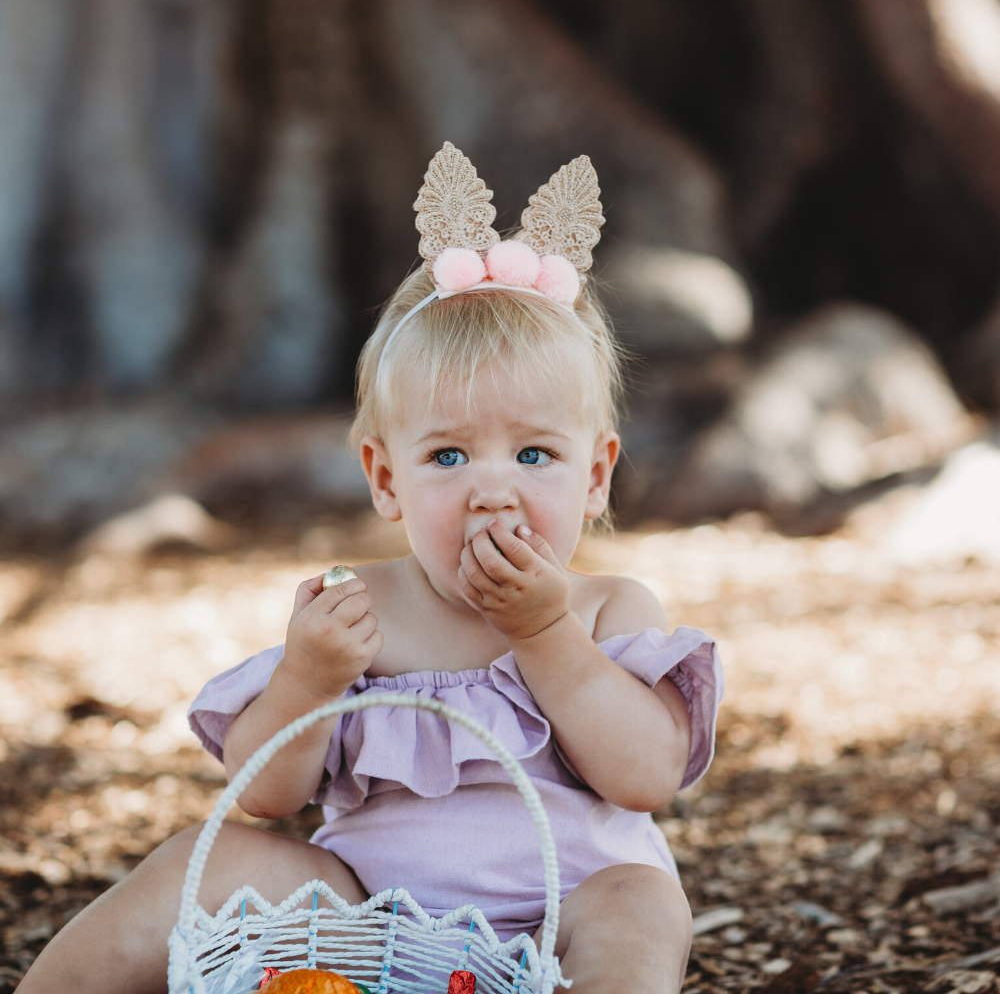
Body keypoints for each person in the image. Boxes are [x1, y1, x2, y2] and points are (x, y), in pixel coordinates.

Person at [20, 144, 722, 994]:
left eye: (535, 453)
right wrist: (308, 681)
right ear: (387, 479)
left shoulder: (609, 608)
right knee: (198, 865)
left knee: (644, 904)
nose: (491, 489)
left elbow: (646, 775)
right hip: (366, 926)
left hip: (558, 923)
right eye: (450, 454)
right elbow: (267, 795)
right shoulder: (363, 607)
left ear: (597, 476)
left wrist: (545, 631)